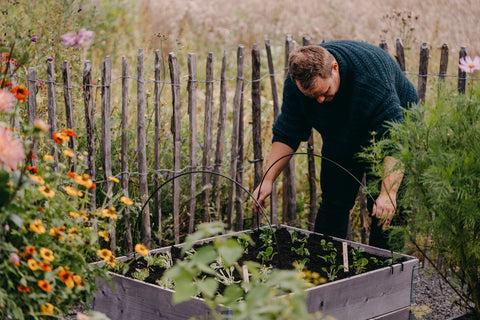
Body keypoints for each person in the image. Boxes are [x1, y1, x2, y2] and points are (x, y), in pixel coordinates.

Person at [253, 40, 418, 249]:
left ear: (334, 68)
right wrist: (268, 179)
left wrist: (388, 193)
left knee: (384, 212)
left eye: (324, 92)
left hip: (391, 134)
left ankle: (387, 272)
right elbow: (287, 131)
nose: (320, 101)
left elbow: (395, 139)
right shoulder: (297, 84)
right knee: (333, 204)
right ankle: (324, 267)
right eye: (312, 97)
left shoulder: (371, 80)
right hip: (342, 132)